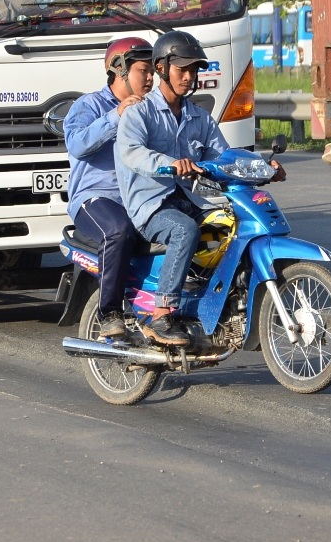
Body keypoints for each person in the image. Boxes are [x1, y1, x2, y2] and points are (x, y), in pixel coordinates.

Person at [115, 31, 285, 346]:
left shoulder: (199, 117)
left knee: (225, 227)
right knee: (185, 231)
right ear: (161, 68)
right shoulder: (139, 113)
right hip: (149, 205)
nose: (189, 76)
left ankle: (210, 303)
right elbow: (132, 153)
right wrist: (170, 162)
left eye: (194, 69)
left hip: (184, 199)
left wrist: (263, 168)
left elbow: (224, 157)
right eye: (183, 69)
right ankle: (162, 313)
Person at [64, 37, 156, 338]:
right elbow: (77, 145)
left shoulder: (154, 108)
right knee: (118, 230)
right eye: (144, 70)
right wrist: (116, 115)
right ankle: (110, 313)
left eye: (153, 70)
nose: (151, 77)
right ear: (119, 70)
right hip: (96, 199)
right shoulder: (88, 105)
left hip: (139, 200)